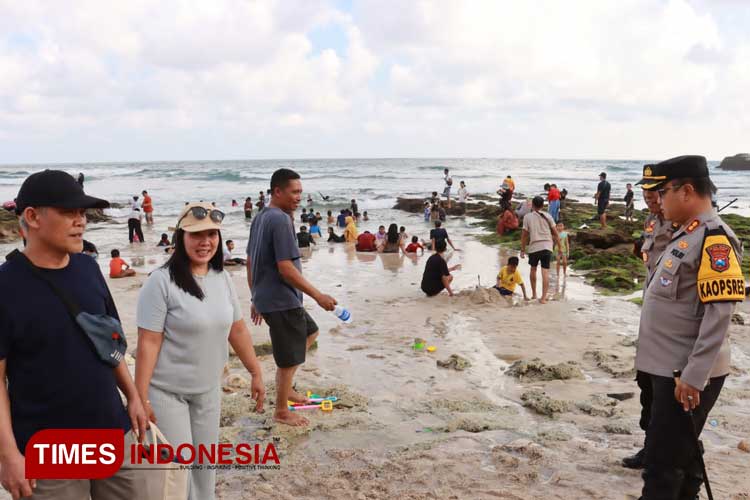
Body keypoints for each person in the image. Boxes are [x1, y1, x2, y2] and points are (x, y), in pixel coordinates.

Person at [0, 170, 149, 500]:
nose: (80, 221)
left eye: (82, 213)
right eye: (69, 212)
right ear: (32, 217)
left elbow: (108, 341)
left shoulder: (87, 268)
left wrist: (134, 397)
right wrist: (8, 455)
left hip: (113, 431)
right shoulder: (5, 285)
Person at [632, 155, 745, 499]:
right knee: (677, 458)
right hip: (667, 367)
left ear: (687, 191)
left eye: (664, 191)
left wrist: (695, 375)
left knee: (662, 468)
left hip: (685, 373)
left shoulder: (714, 239)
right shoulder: (686, 234)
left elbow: (719, 314)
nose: (658, 199)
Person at [136, 202, 265, 500]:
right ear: (181, 237)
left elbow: (238, 329)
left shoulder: (222, 279)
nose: (205, 242)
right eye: (196, 235)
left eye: (212, 234)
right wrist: (140, 397)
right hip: (167, 394)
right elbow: (148, 342)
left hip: (208, 391)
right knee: (179, 476)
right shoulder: (160, 281)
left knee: (206, 472)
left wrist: (256, 372)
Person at [245, 168, 337, 427]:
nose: (299, 197)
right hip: (281, 299)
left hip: (269, 297)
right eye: (294, 192)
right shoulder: (280, 220)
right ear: (277, 191)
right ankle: (281, 410)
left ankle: (287, 391)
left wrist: (255, 296)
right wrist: (319, 296)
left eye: (300, 192)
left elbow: (251, 260)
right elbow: (285, 267)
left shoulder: (262, 216)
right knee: (288, 359)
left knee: (310, 332)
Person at [621, 165, 681, 471]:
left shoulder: (681, 224)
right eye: (644, 193)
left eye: (653, 193)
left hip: (671, 323)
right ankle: (650, 447)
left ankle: (665, 452)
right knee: (647, 386)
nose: (648, 199)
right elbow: (651, 259)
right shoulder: (651, 221)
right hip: (650, 315)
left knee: (666, 394)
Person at [520, 196, 560, 304]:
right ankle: (543, 298)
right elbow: (556, 234)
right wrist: (560, 248)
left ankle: (534, 294)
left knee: (533, 269)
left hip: (534, 247)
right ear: (543, 205)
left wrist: (522, 249)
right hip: (547, 246)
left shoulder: (527, 217)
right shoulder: (548, 216)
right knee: (545, 271)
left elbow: (524, 235)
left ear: (532, 205)